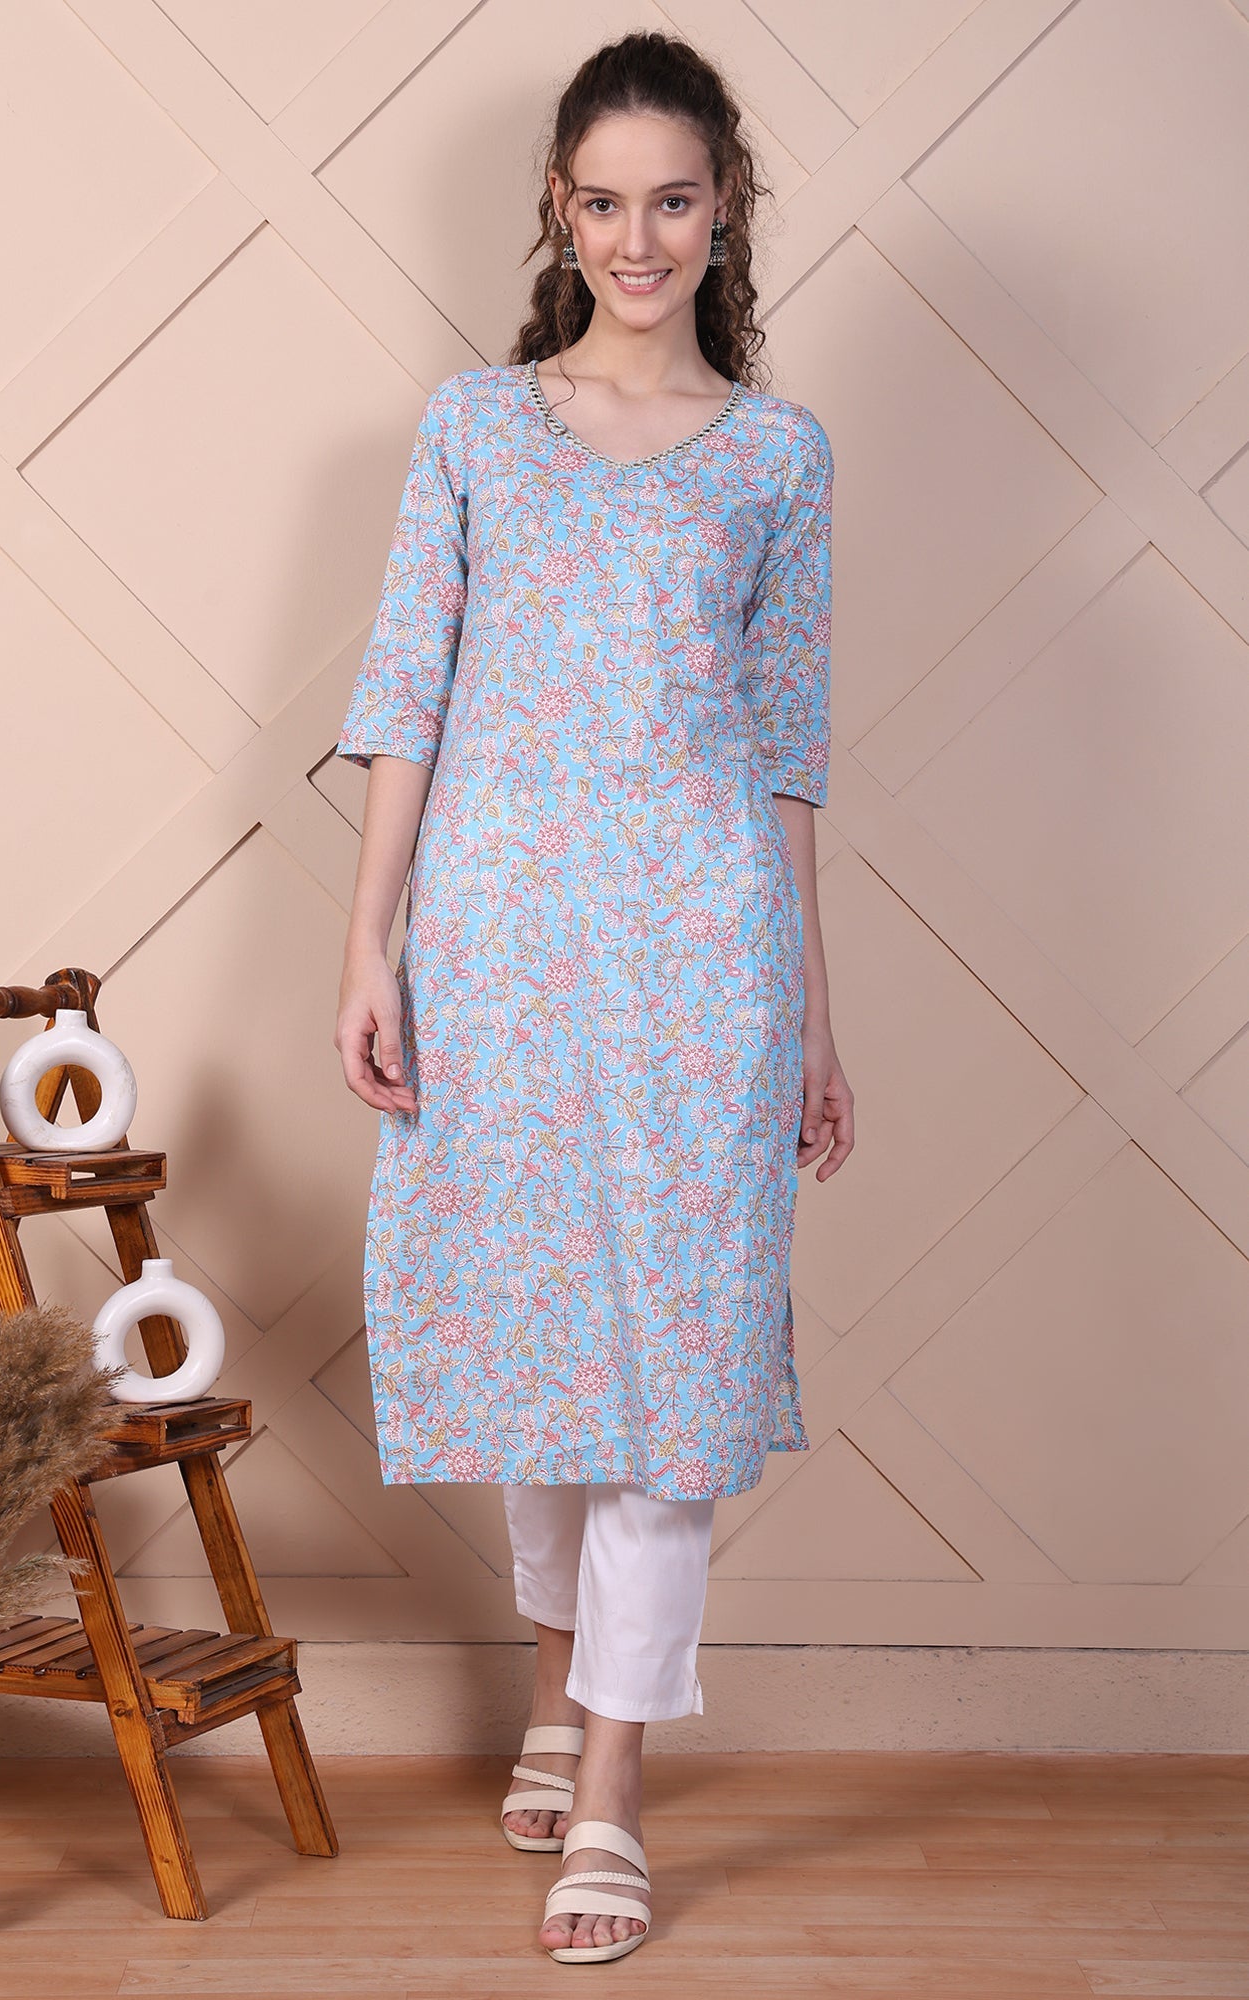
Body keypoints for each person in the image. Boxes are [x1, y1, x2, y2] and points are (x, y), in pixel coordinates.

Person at [333, 27, 855, 1967]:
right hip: (499, 946)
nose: (640, 239)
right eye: (606, 202)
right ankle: (558, 1683)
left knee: (673, 1370)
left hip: (706, 955)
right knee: (539, 1343)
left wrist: (812, 1015)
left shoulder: (779, 456)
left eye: (675, 200)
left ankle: (613, 1779)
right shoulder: (475, 425)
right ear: (558, 209)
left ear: (727, 210)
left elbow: (786, 754)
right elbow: (406, 691)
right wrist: (371, 942)